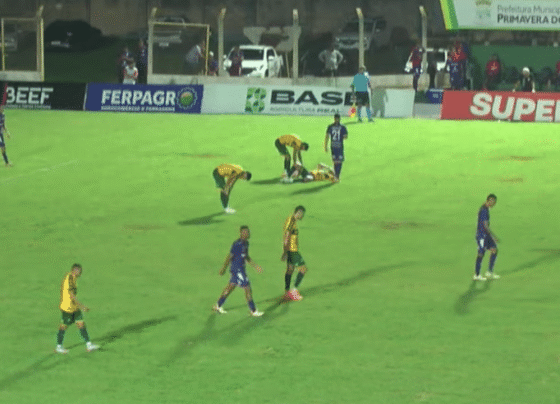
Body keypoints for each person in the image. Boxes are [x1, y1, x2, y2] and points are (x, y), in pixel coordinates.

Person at [213, 226, 264, 317]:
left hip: (241, 269)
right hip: (237, 270)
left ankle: (218, 305)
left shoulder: (246, 243)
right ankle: (253, 310)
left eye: (247, 232)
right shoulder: (237, 244)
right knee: (247, 288)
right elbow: (229, 256)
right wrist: (223, 268)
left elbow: (246, 256)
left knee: (230, 287)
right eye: (244, 232)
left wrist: (255, 266)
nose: (247, 234)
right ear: (241, 233)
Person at [56, 264, 99, 354]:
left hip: (74, 307)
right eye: (79, 271)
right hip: (68, 308)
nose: (80, 273)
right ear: (75, 271)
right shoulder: (70, 279)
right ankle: (59, 346)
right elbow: (72, 296)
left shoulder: (72, 277)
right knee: (63, 326)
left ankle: (89, 345)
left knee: (81, 324)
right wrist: (82, 306)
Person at [282, 205, 307, 301]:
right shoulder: (291, 221)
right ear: (298, 213)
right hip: (292, 250)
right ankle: (294, 291)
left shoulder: (292, 221)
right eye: (302, 214)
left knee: (290, 270)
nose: (302, 216)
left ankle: (287, 292)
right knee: (303, 269)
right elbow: (286, 236)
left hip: (290, 250)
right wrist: (285, 252)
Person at [474, 194, 500, 281]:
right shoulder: (484, 210)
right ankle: (477, 275)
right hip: (482, 236)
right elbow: (485, 226)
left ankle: (489, 272)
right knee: (481, 253)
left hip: (486, 235)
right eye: (493, 202)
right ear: (489, 201)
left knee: (494, 250)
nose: (494, 204)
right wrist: (493, 236)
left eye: (494, 202)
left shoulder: (484, 208)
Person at [324, 113, 348, 182]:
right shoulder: (342, 127)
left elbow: (327, 136)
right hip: (339, 146)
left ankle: (335, 176)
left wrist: (325, 146)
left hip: (333, 145)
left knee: (335, 161)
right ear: (339, 119)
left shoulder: (330, 126)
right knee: (339, 161)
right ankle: (337, 176)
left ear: (334, 118)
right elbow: (345, 137)